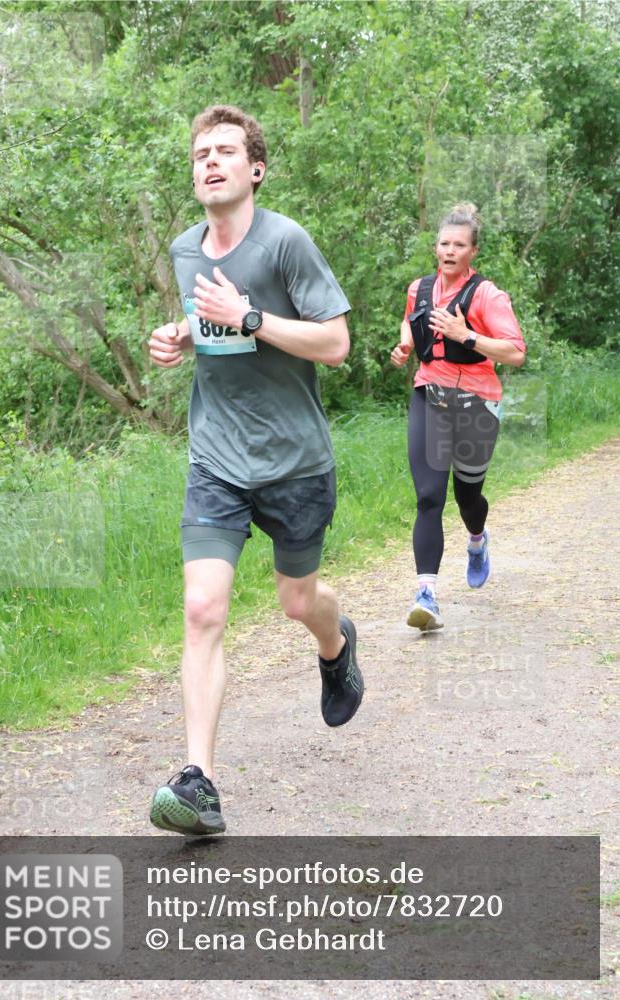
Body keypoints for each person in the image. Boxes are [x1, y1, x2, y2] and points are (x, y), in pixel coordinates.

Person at [147, 105, 363, 835]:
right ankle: (197, 783)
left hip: (295, 461)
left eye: (225, 151)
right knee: (202, 608)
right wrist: (182, 335)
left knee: (298, 603)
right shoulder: (185, 248)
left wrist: (249, 318)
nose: (210, 161)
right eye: (200, 153)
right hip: (217, 457)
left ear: (256, 169)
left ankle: (336, 644)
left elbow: (335, 343)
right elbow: (210, 320)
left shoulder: (285, 242)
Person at [390, 203, 526, 631]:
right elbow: (410, 320)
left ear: (473, 252)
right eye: (444, 243)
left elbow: (515, 353)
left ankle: (477, 539)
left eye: (459, 245)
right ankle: (426, 595)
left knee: (468, 498)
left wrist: (465, 334)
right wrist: (406, 345)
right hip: (429, 393)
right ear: (436, 247)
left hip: (477, 401)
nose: (450, 251)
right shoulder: (420, 288)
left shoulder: (488, 296)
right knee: (429, 496)